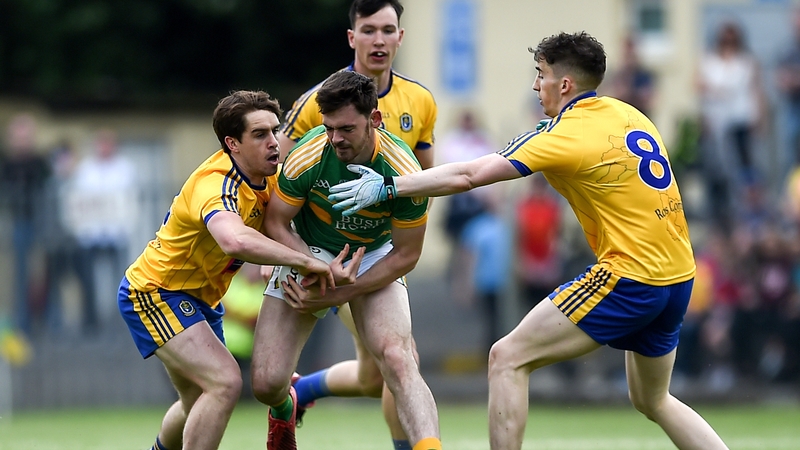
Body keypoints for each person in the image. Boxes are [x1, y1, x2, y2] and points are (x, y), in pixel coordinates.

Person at [328, 32, 729, 450]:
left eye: (541, 75)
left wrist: (391, 187)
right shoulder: (628, 114)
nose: (536, 86)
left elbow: (469, 175)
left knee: (507, 357)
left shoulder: (565, 132)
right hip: (678, 276)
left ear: (566, 85)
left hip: (631, 277)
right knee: (653, 399)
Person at [117, 90, 353, 450]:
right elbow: (235, 241)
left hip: (199, 301)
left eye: (274, 131)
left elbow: (282, 227)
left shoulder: (269, 178)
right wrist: (305, 261)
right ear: (233, 143)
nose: (274, 142)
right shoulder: (217, 183)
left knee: (196, 400)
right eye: (259, 135)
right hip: (156, 292)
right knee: (224, 382)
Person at [276, 1, 438, 448]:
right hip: (325, 252)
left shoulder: (420, 101)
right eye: (369, 30)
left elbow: (426, 179)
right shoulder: (318, 102)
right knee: (401, 361)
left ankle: (301, 389)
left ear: (401, 37)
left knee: (374, 376)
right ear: (352, 38)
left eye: (388, 30)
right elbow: (277, 174)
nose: (379, 40)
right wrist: (277, 253)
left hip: (382, 248)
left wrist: (407, 227)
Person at [65, 129, 137, 334]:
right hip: (91, 233)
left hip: (116, 232)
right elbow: (76, 199)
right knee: (90, 280)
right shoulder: (86, 169)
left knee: (120, 280)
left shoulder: (125, 168)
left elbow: (130, 200)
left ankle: (119, 323)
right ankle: (92, 323)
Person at [696, 21, 766, 230]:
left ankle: (746, 216)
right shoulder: (709, 61)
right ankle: (719, 215)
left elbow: (756, 89)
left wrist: (760, 117)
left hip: (741, 122)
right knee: (719, 171)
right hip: (717, 125)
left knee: (744, 172)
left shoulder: (746, 61)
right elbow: (699, 86)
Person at [0, 114, 51, 338]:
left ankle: (48, 320)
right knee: (19, 274)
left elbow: (49, 187)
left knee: (46, 273)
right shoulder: (7, 164)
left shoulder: (39, 163)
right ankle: (23, 322)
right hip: (19, 223)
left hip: (42, 222)